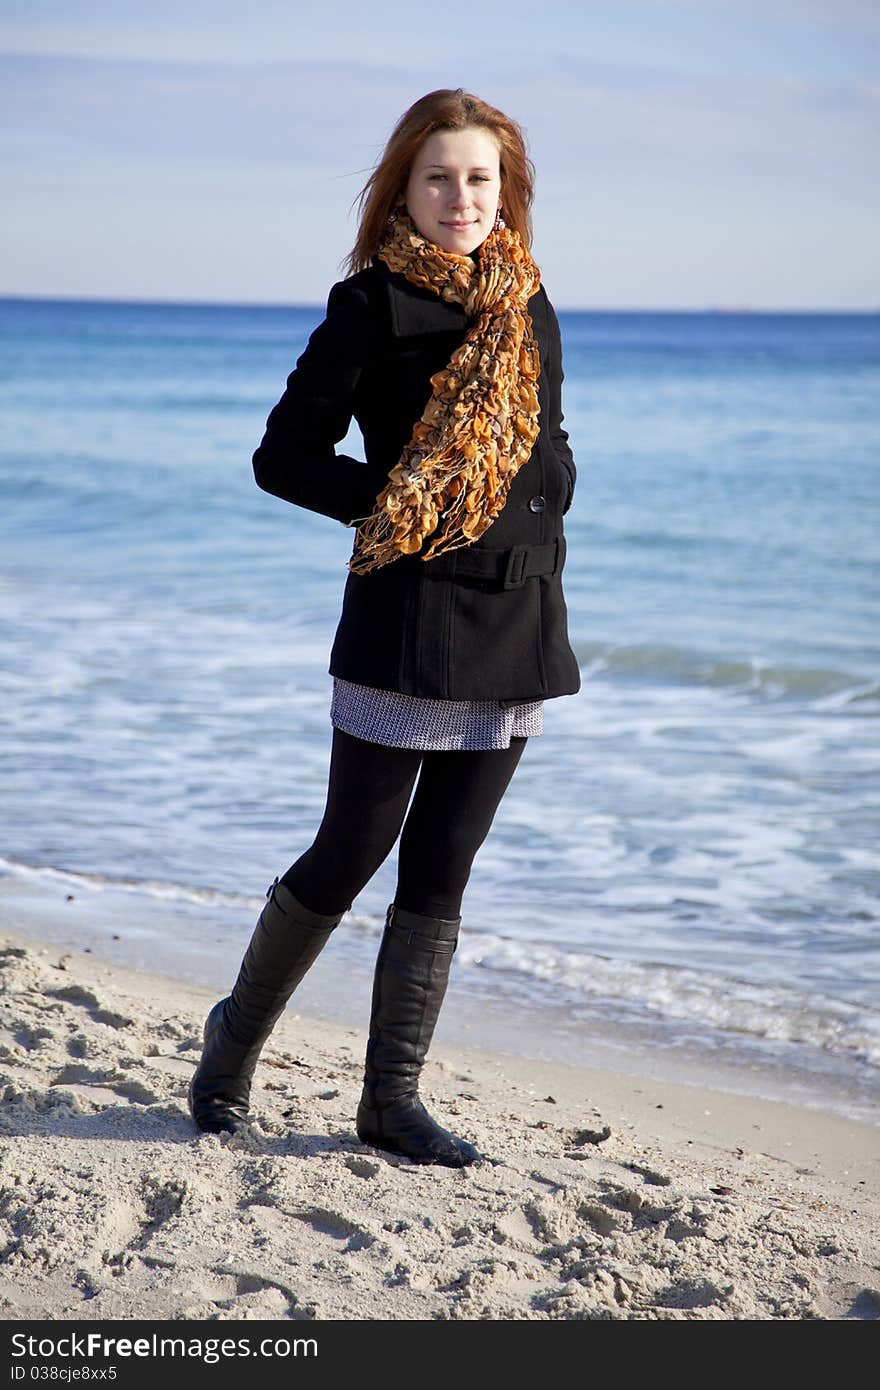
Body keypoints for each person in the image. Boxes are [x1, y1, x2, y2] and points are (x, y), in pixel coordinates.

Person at [188, 88, 580, 1168]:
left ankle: (389, 1100)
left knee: (443, 870)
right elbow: (283, 457)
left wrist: (542, 500)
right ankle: (229, 1050)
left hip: (520, 614)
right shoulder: (368, 303)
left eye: (481, 178)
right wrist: (400, 505)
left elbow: (547, 445)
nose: (463, 196)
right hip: (408, 614)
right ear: (402, 187)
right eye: (441, 176)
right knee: (350, 850)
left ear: (508, 191)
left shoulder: (528, 300)